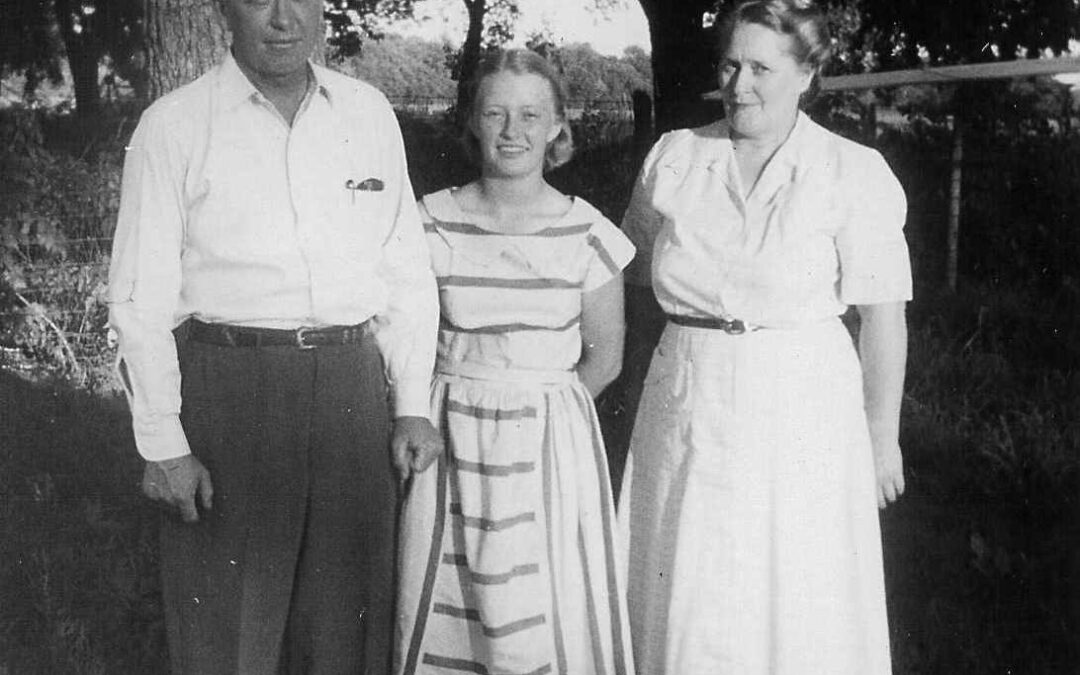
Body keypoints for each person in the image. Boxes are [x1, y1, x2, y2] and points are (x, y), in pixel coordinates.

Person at [106, 0, 442, 672]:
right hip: (231, 388)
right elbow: (138, 295)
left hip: (351, 388)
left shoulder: (367, 112)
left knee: (346, 627)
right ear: (226, 9)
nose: (283, 18)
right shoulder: (174, 125)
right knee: (229, 632)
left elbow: (404, 266)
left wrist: (410, 403)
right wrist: (163, 442)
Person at [618, 0, 910, 672]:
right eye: (729, 64)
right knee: (687, 580)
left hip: (802, 409)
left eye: (760, 68)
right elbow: (633, 283)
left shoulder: (850, 171)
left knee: (793, 589)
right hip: (685, 396)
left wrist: (881, 435)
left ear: (807, 74)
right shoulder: (675, 157)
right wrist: (633, 384)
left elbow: (884, 319)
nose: (739, 83)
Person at [394, 49, 636, 675]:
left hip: (548, 448)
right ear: (471, 121)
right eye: (495, 113)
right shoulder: (429, 222)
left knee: (539, 612)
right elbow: (403, 336)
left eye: (531, 115)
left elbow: (604, 358)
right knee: (451, 601)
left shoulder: (586, 232)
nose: (512, 132)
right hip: (450, 440)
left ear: (558, 125)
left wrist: (535, 408)